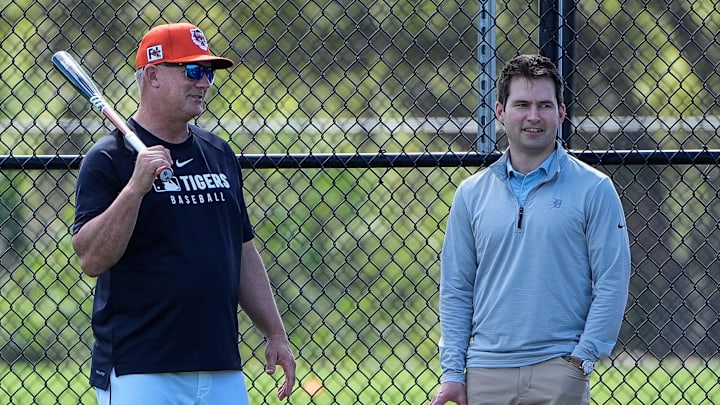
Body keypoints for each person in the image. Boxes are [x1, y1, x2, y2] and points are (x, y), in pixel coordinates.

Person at [71, 22, 296, 404]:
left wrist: (275, 332)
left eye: (207, 72)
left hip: (221, 364)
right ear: (154, 75)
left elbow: (241, 250)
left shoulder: (219, 153)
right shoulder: (109, 159)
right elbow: (91, 258)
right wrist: (134, 189)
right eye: (192, 71)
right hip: (140, 369)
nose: (204, 82)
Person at [429, 54, 631, 405]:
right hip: (486, 373)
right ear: (500, 112)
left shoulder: (594, 188)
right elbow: (456, 288)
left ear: (561, 113)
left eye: (544, 105)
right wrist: (452, 373)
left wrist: (583, 358)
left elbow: (612, 280)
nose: (534, 116)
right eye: (522, 104)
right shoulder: (471, 194)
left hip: (560, 372)